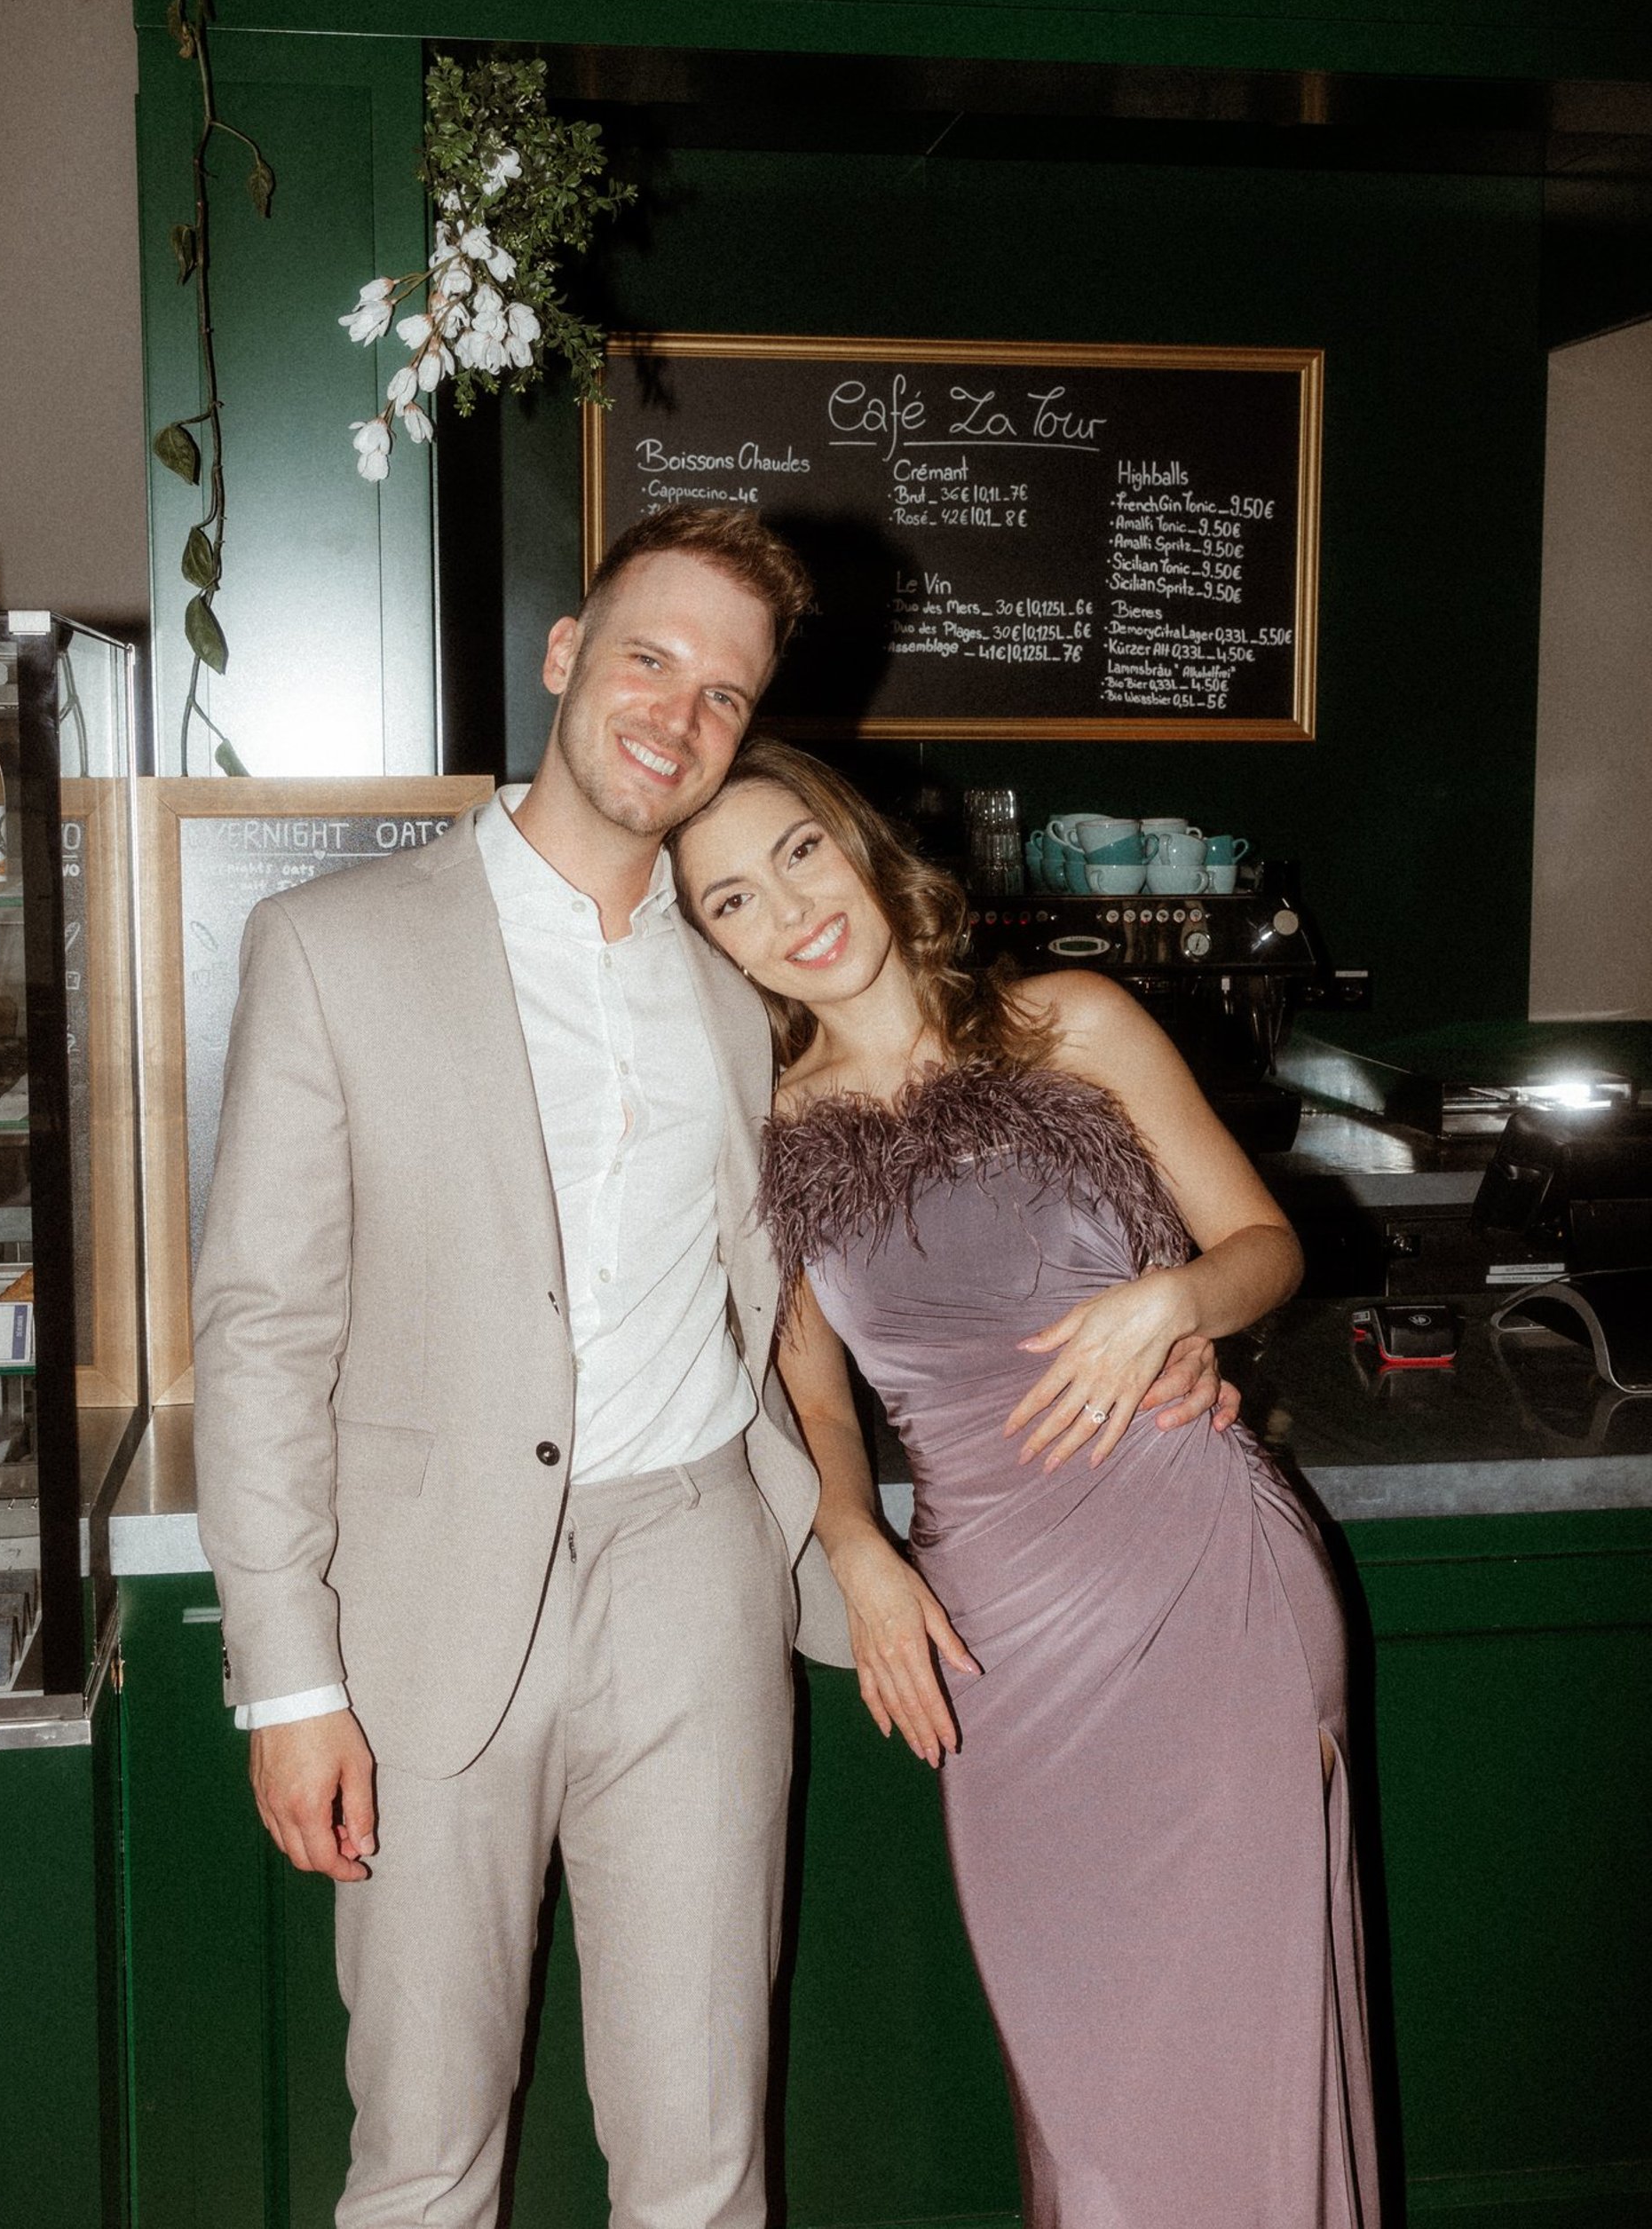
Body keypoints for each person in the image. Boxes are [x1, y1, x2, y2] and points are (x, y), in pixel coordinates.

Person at [193, 503, 1236, 2229]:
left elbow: (866, 1263)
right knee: (426, 2149)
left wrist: (1176, 1331)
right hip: (429, 1600)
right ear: (565, 656)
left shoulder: (744, 982)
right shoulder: (337, 946)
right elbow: (262, 1328)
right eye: (649, 658)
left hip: (696, 1569)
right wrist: (288, 1682)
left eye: (726, 692)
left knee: (700, 2153)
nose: (678, 712)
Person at [676, 737, 1379, 2229]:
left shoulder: (1074, 1020)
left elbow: (1269, 1247)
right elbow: (814, 1393)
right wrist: (859, 1547)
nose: (789, 907)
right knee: (1089, 2102)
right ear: (710, 942)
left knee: (1247, 2060)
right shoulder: (767, 1127)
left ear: (856, 838)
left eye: (799, 850)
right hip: (1001, 1630)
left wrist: (1176, 1302)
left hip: (1204, 1591)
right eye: (731, 898)